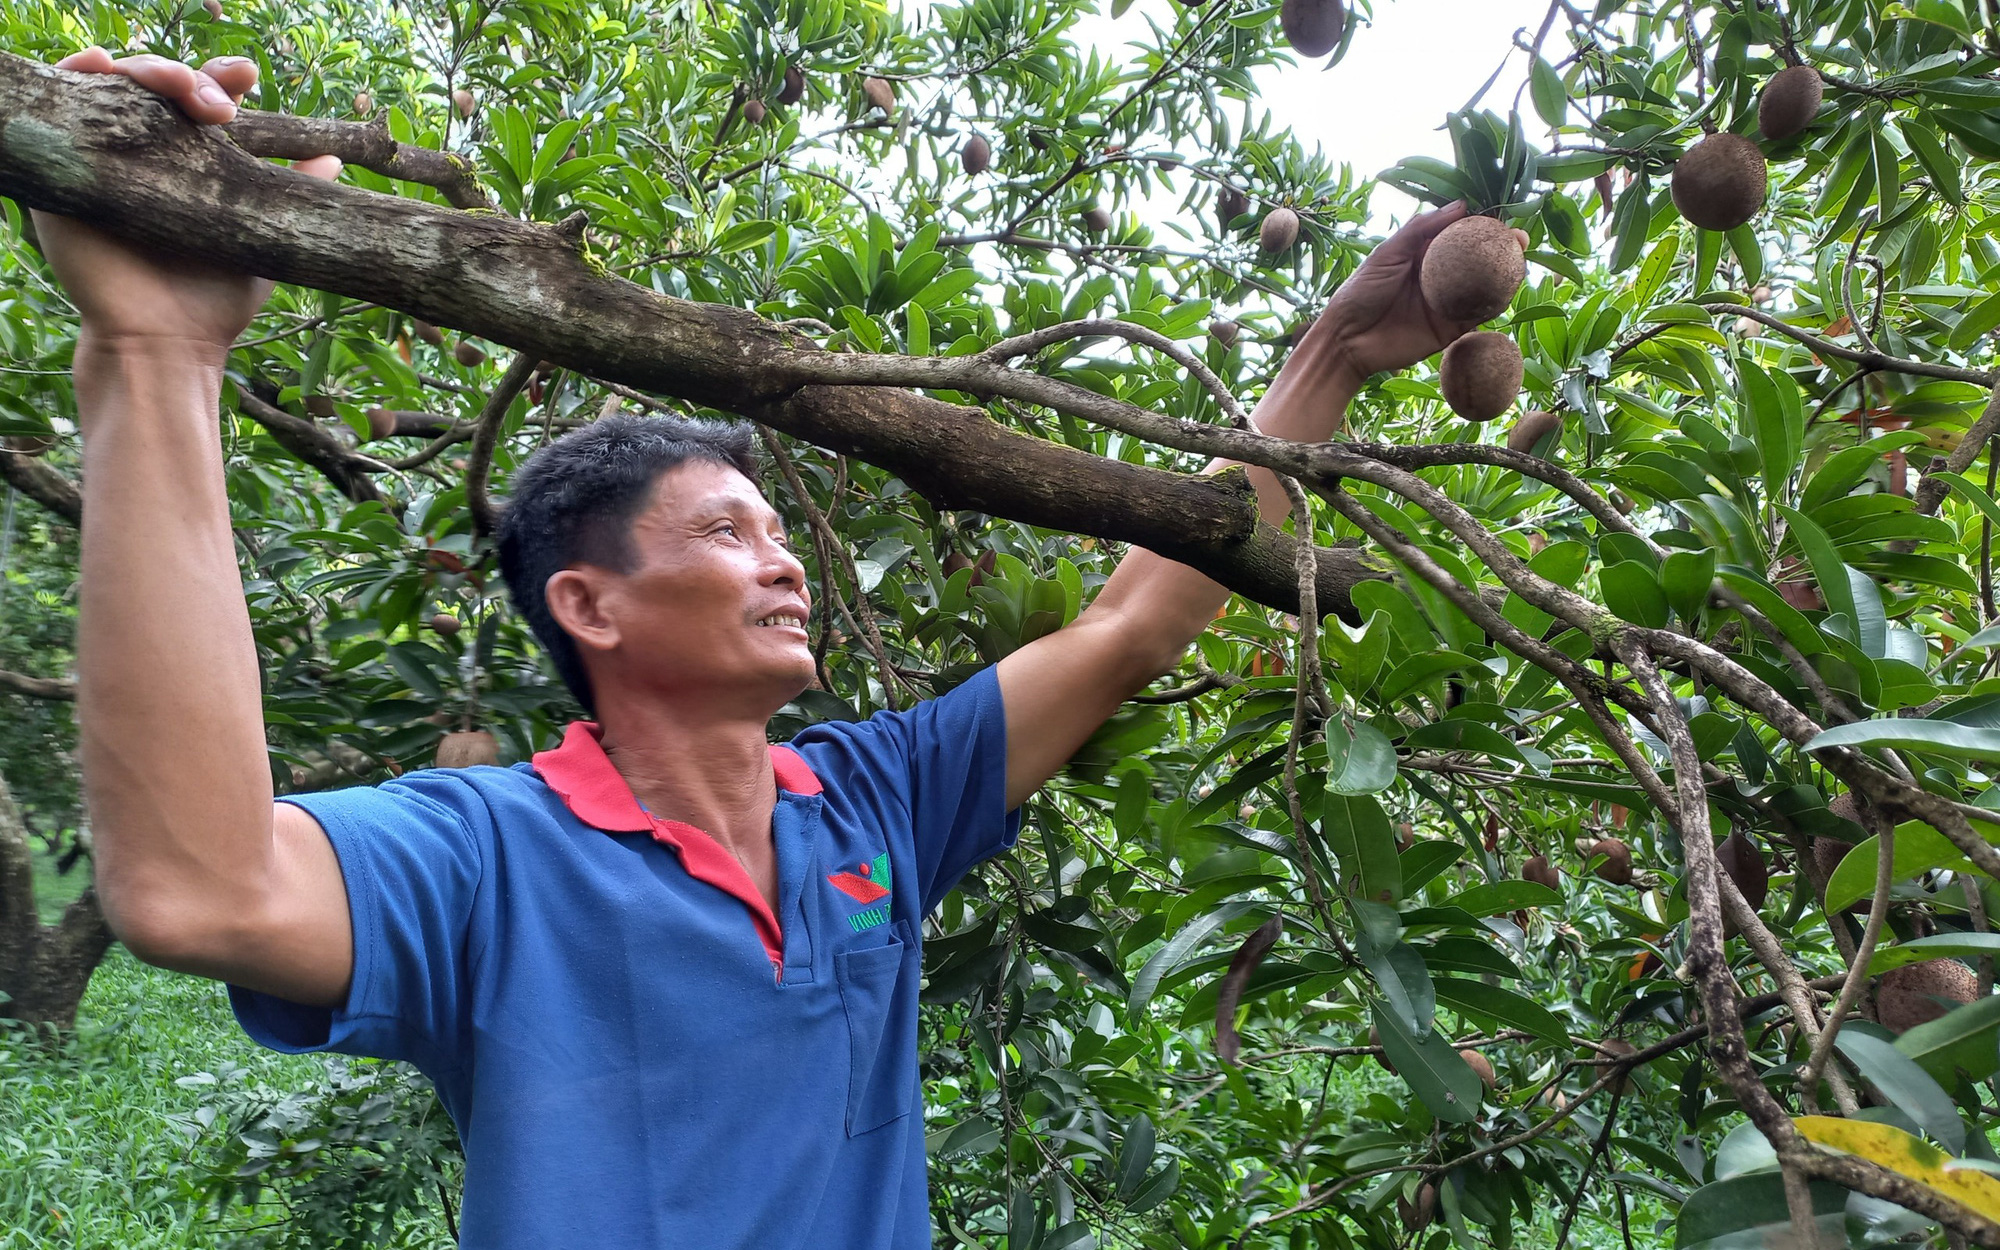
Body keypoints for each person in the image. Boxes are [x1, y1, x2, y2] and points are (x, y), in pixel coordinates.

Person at [40, 45, 1506, 1250]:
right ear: (591, 607)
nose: (784, 556)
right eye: (726, 532)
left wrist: (1333, 358)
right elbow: (195, 884)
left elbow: (1134, 620)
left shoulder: (873, 803)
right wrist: (159, 358)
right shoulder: (488, 856)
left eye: (777, 528)